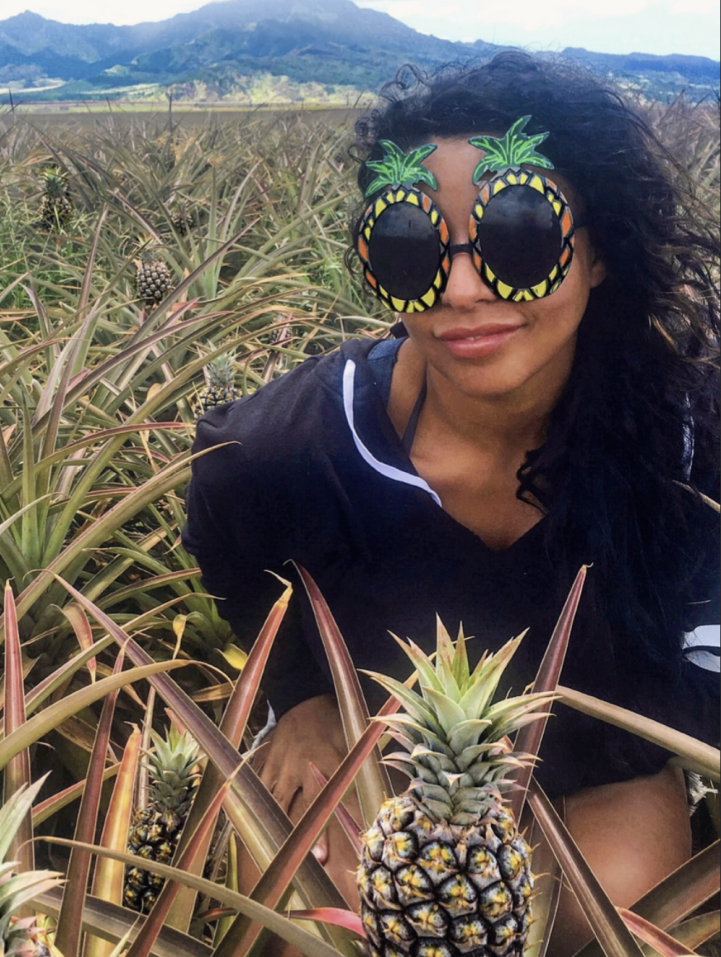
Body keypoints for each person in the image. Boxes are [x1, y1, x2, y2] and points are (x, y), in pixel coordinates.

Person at [182, 52, 719, 956]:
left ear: (599, 251)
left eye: (518, 237)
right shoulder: (280, 453)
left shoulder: (690, 446)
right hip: (380, 778)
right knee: (313, 899)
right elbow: (230, 557)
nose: (463, 291)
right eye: (408, 248)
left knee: (621, 897)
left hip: (596, 777)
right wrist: (302, 691)